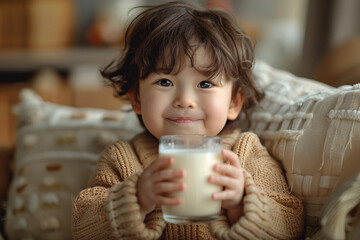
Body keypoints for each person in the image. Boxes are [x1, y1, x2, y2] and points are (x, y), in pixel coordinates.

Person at [72, 1, 304, 239]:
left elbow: (290, 224)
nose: (185, 100)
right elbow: (84, 228)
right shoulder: (121, 159)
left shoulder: (246, 154)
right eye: (165, 82)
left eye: (205, 84)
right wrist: (137, 199)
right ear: (137, 99)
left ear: (234, 103)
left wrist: (241, 203)